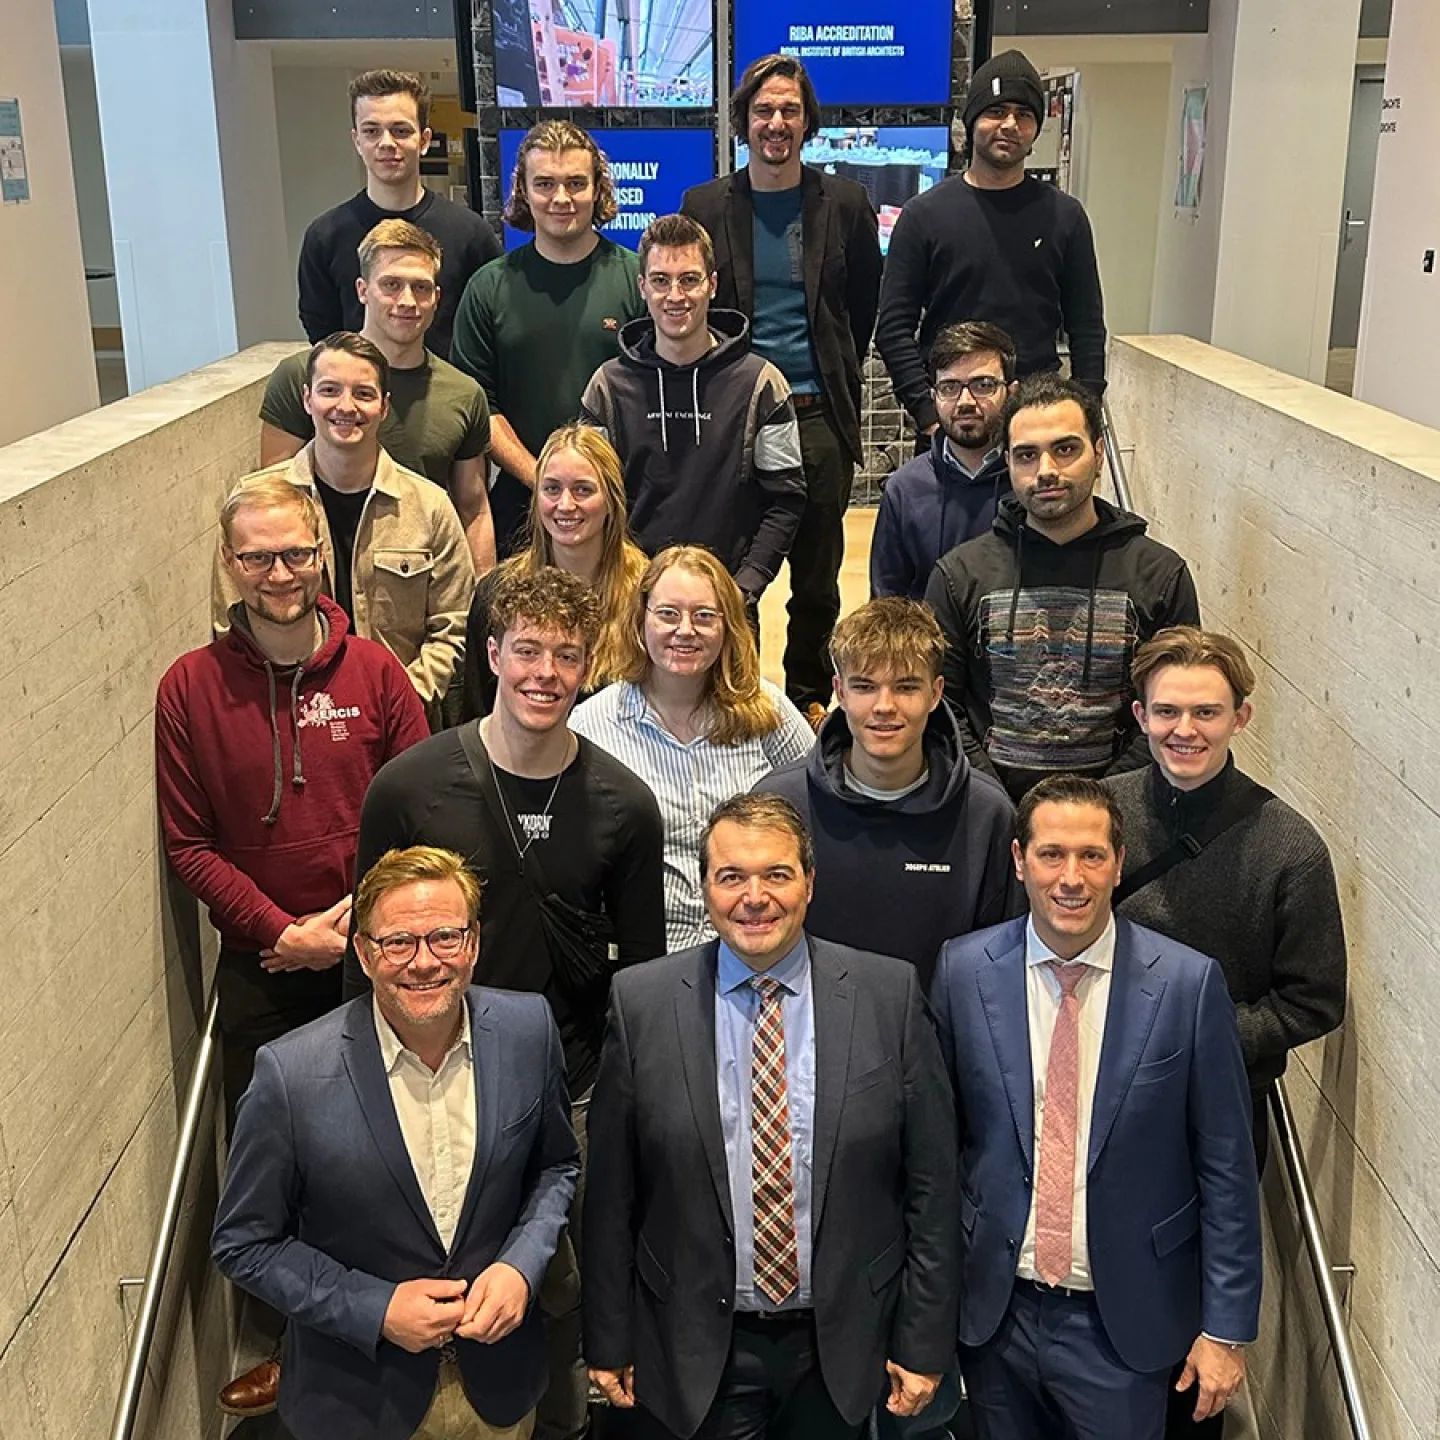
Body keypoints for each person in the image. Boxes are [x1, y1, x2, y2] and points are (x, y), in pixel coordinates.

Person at [348, 566, 666, 1440]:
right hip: (427, 1078)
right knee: (434, 1271)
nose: (545, 672)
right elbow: (363, 959)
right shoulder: (408, 789)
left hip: (571, 1091)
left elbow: (639, 976)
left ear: (589, 665)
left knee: (556, 1284)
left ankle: (560, 1423)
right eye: (526, 649)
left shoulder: (624, 807)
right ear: (492, 654)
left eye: (567, 656)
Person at [157, 473, 430, 1418]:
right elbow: (187, 842)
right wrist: (280, 932)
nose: (279, 573)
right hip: (265, 963)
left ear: (322, 553)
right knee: (274, 1162)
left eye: (296, 552)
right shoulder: (188, 688)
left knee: (380, 1153)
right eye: (257, 556)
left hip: (378, 955)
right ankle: (285, 1346)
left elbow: (416, 811)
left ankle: (389, 1329)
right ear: (228, 564)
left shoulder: (376, 674)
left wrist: (349, 927)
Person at [582, 793, 959, 1439]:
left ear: (810, 883)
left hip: (841, 1347)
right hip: (698, 1345)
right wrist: (610, 1337)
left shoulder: (887, 995)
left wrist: (924, 1343)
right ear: (705, 888)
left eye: (776, 874)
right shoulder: (642, 1003)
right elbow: (612, 1195)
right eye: (732, 876)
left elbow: (933, 1187)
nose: (754, 896)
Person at [930, 776, 1262, 1440]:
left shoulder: (1188, 986)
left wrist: (1225, 1329)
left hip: (1122, 1322)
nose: (1071, 877)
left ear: (1117, 863)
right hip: (997, 1315)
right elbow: (937, 1150)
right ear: (1020, 861)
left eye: (1091, 855)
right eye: (1051, 855)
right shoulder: (961, 972)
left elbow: (1226, 1168)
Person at [212, 845, 579, 1440]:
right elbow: (244, 1244)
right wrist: (373, 1308)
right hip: (360, 1403)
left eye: (444, 937)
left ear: (474, 943)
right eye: (398, 943)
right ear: (363, 951)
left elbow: (555, 1167)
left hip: (500, 1391)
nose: (424, 962)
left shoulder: (527, 1031)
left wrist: (521, 1265)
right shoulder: (290, 1074)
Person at [1105, 628, 1347, 1439]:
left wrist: (1198, 1050)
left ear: (1241, 716)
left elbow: (1314, 1001)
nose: (1186, 730)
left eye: (1206, 712)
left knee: (1187, 1330)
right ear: (1139, 715)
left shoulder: (1289, 849)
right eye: (1167, 711)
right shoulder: (1102, 813)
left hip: (1218, 1117)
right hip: (1094, 1096)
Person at [682, 54, 883, 724]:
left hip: (818, 415)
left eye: (789, 110)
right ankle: (742, 694)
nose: (776, 122)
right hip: (737, 419)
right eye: (764, 110)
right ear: (744, 119)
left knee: (818, 580)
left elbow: (861, 306)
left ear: (807, 121)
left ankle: (805, 699)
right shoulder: (707, 205)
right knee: (740, 574)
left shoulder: (846, 205)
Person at [924, 373, 1200, 803]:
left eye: (1065, 449)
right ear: (1008, 464)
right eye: (1026, 455)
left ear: (1099, 453)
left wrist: (1097, 805)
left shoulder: (1159, 574)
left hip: (1120, 815)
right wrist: (994, 801)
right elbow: (941, 707)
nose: (1046, 471)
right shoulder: (959, 575)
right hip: (991, 811)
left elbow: (1176, 708)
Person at [757, 597, 1019, 987]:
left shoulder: (987, 814)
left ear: (936, 694)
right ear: (839, 692)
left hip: (936, 1042)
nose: (884, 706)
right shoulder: (778, 805)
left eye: (906, 687)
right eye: (864, 686)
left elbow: (1002, 963)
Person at [215, 332, 475, 716]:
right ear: (307, 399)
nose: (346, 406)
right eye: (330, 390)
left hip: (398, 721)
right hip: (284, 715)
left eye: (364, 394)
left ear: (385, 407)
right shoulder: (255, 503)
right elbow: (229, 623)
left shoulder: (430, 506)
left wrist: (399, 701)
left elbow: (455, 625)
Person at [571, 545, 813, 951]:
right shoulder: (592, 726)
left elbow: (817, 812)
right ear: (640, 620)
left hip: (757, 947)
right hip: (646, 955)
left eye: (704, 616)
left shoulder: (769, 713)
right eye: (668, 614)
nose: (685, 630)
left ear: (728, 626)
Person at [875, 49, 1106, 441]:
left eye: (1024, 114)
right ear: (972, 121)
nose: (1010, 124)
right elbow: (893, 328)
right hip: (951, 422)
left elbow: (1086, 329)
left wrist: (1084, 413)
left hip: (1037, 423)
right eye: (996, 112)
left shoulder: (1065, 217)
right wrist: (928, 413)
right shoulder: (923, 215)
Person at [579, 214, 805, 606]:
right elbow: (589, 498)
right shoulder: (607, 386)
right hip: (633, 602)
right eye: (661, 280)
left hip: (727, 604)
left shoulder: (762, 384)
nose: (675, 296)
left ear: (712, 285)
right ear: (643, 288)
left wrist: (745, 586)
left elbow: (785, 498)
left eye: (689, 279)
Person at [452, 121, 645, 560]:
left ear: (598, 189)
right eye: (545, 184)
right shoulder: (489, 288)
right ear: (523, 190)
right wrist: (545, 479)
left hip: (624, 506)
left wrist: (592, 486)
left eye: (576, 183)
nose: (561, 198)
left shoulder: (636, 281)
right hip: (521, 505)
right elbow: (479, 404)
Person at [263, 219, 495, 574]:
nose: (407, 301)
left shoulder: (464, 395)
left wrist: (480, 607)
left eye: (421, 287)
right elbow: (271, 499)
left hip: (415, 594)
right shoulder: (301, 377)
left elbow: (474, 509)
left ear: (437, 297)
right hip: (312, 585)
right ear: (362, 290)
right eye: (391, 285)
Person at [297, 69, 500, 360]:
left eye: (401, 130)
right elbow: (321, 329)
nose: (386, 143)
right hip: (359, 398)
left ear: (425, 139)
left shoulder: (470, 233)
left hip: (448, 397)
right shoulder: (325, 236)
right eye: (371, 131)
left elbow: (489, 324)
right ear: (356, 140)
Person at [461, 423, 648, 722]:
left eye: (583, 490)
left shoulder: (648, 595)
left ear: (612, 499)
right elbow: (475, 711)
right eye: (551, 489)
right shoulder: (498, 593)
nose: (565, 504)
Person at [870, 322, 1017, 600]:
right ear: (933, 396)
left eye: (983, 385)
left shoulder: (1032, 482)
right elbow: (886, 601)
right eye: (949, 387)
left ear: (1012, 391)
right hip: (929, 640)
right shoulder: (905, 489)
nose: (965, 401)